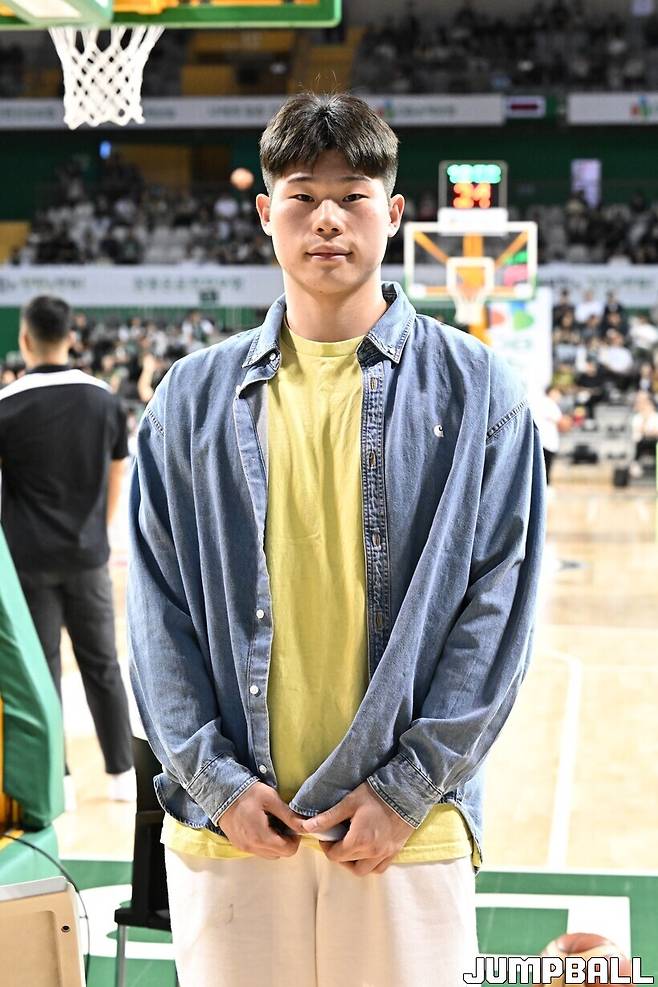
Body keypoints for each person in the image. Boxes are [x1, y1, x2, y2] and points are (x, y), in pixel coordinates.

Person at [127, 91, 546, 987]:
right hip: (235, 831)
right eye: (302, 196)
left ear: (392, 214)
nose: (327, 218)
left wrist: (405, 790)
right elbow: (155, 615)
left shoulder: (482, 393)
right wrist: (218, 786)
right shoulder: (187, 402)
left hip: (406, 832)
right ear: (264, 213)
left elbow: (498, 614)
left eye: (352, 196)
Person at [0, 295, 135, 809]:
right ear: (71, 338)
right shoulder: (103, 399)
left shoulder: (7, 404)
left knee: (43, 671)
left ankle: (58, 780)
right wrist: (98, 529)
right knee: (103, 666)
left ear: (25, 339)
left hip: (26, 562)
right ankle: (121, 774)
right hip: (88, 556)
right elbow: (118, 469)